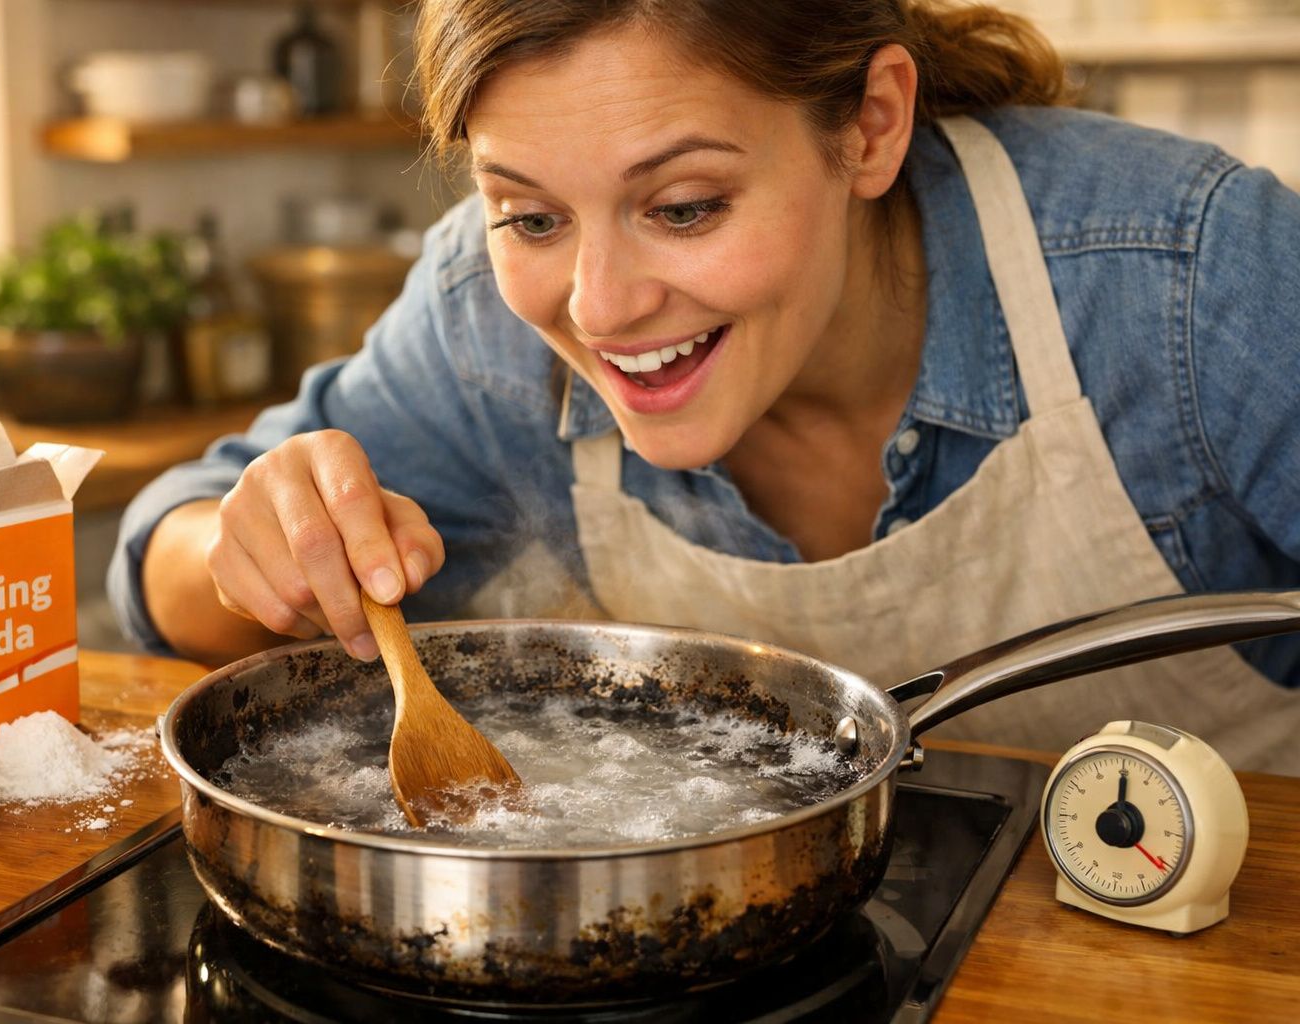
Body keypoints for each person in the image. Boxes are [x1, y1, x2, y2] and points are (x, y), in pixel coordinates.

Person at [109, 0, 1300, 772]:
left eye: (683, 207)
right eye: (531, 214)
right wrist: (262, 539)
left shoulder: (1191, 279)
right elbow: (166, 563)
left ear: (871, 126)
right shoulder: (485, 318)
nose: (600, 305)